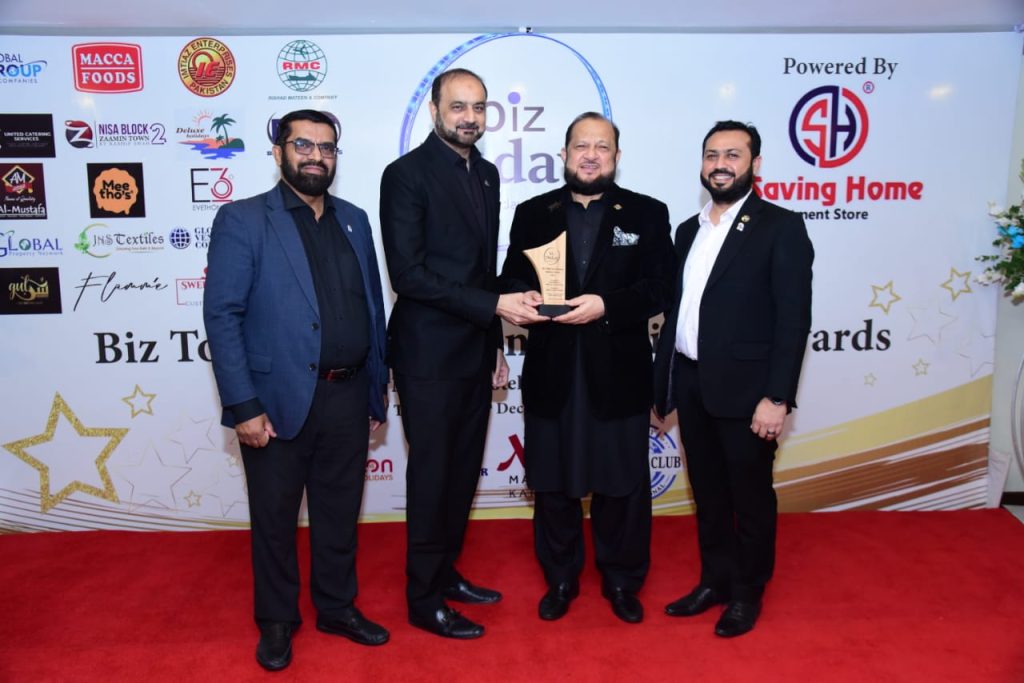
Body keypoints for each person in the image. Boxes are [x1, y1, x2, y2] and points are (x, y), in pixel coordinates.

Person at [204, 109, 390, 671]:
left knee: (339, 514)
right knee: (275, 518)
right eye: (303, 145)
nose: (316, 156)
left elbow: (373, 311)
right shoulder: (243, 219)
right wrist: (243, 405)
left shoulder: (355, 220)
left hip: (347, 395)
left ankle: (336, 607)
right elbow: (223, 314)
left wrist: (376, 392)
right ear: (278, 152)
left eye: (327, 147)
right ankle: (277, 619)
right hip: (275, 400)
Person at [379, 68, 542, 639]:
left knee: (461, 473)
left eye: (478, 108)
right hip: (427, 354)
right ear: (434, 111)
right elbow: (408, 274)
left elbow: (479, 272)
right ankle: (422, 599)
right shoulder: (405, 175)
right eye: (458, 107)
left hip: (474, 349)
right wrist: (494, 306)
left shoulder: (488, 174)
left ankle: (444, 572)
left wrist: (493, 340)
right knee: (433, 476)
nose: (469, 118)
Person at [499, 112, 675, 624]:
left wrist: (607, 305)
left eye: (601, 147)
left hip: (617, 372)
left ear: (617, 157)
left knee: (622, 483)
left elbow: (661, 287)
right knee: (553, 482)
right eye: (581, 146)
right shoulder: (534, 212)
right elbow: (511, 278)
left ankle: (622, 579)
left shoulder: (646, 213)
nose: (591, 155)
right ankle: (560, 577)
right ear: (564, 154)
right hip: (552, 370)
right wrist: (522, 297)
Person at [653, 120, 814, 637]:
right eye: (711, 155)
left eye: (732, 155)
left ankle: (747, 593)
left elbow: (793, 321)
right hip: (693, 383)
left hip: (749, 394)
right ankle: (715, 582)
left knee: (751, 498)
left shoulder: (781, 227)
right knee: (709, 495)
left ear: (755, 164)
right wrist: (664, 384)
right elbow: (677, 313)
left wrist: (777, 397)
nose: (720, 164)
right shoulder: (688, 230)